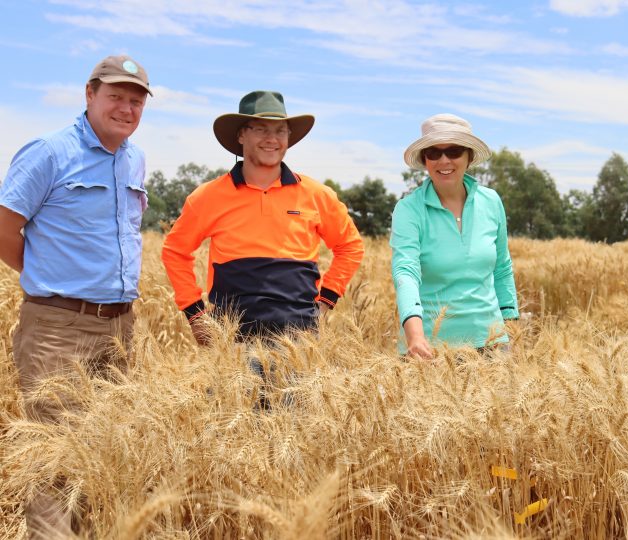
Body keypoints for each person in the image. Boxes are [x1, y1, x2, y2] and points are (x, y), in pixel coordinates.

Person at [0, 54, 152, 538]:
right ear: (89, 95)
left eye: (135, 101)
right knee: (55, 455)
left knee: (99, 450)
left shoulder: (135, 158)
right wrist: (47, 274)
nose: (126, 109)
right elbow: (5, 227)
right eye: (115, 97)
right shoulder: (48, 151)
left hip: (120, 327)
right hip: (57, 328)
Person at [161, 90, 363, 345]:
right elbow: (175, 251)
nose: (272, 139)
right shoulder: (207, 196)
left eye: (280, 130)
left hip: (301, 343)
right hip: (230, 344)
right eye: (261, 129)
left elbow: (350, 246)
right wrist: (195, 315)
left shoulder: (317, 195)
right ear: (241, 134)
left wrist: (325, 303)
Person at [391, 113, 519, 359]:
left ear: (469, 156)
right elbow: (405, 272)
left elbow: (502, 269)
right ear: (424, 159)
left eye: (454, 151)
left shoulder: (491, 202)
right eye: (434, 153)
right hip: (430, 351)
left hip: (493, 346)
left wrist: (512, 330)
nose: (444, 160)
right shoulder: (408, 210)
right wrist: (415, 337)